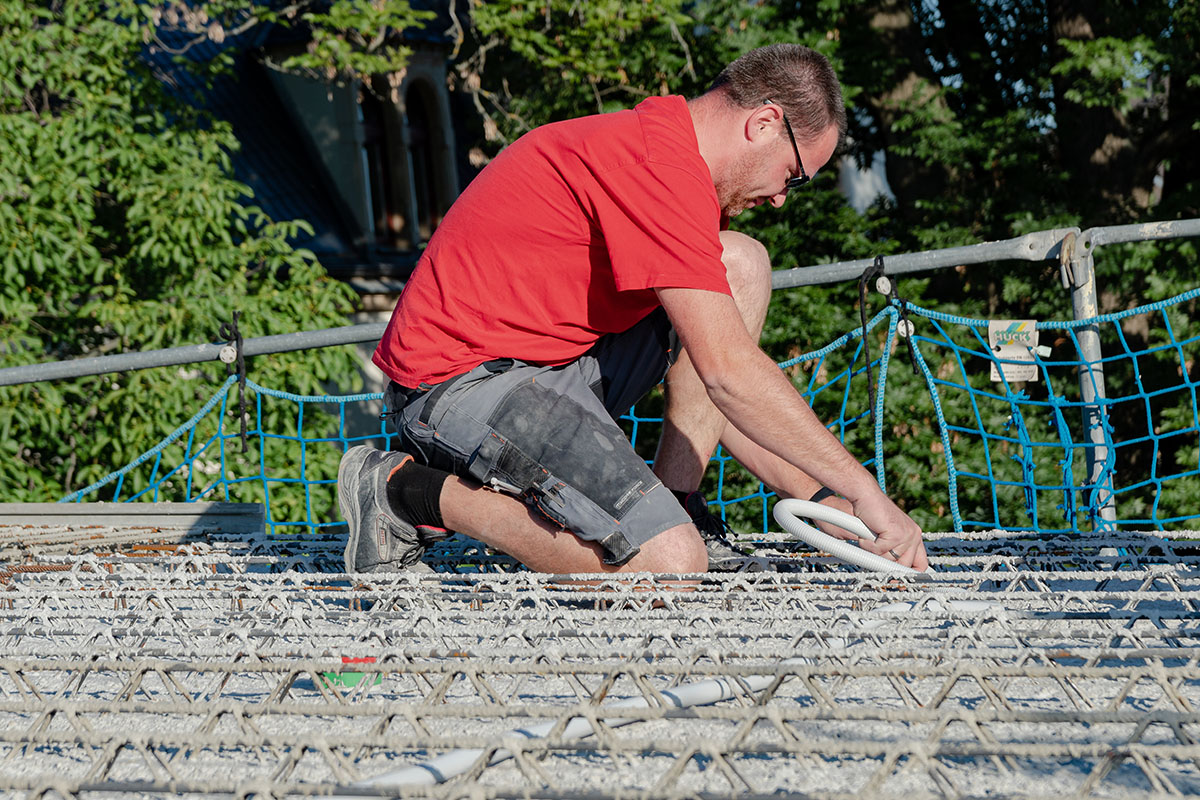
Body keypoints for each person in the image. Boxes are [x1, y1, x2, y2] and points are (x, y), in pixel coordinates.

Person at [337, 43, 929, 575]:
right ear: (765, 122)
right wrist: (867, 490)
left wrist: (834, 506)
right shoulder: (656, 168)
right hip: (455, 386)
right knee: (668, 564)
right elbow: (728, 377)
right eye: (793, 176)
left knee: (740, 263)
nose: (779, 197)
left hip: (550, 368)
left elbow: (718, 388)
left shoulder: (675, 159)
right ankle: (400, 491)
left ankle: (680, 502)